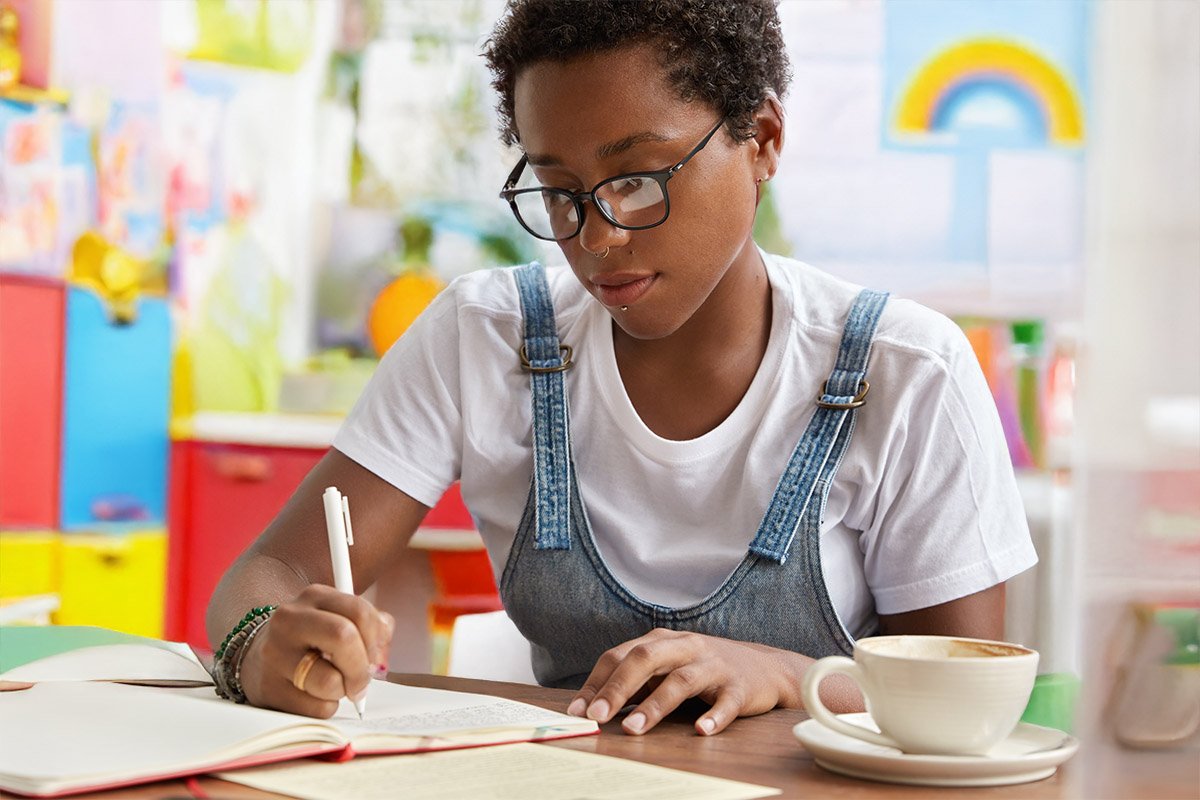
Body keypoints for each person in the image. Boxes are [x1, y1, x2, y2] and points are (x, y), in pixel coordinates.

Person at [207, 0, 1037, 737]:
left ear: (764, 140)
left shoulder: (905, 370)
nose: (595, 238)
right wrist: (262, 642)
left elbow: (963, 693)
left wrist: (788, 674)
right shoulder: (483, 336)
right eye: (559, 191)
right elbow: (270, 573)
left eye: (637, 181)